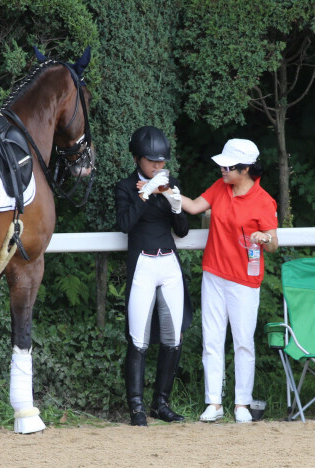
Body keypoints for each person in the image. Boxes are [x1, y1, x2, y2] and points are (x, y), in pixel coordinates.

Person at [180, 138, 278, 423]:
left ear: (245, 169)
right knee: (212, 340)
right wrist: (166, 192)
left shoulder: (264, 201)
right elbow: (195, 206)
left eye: (228, 165)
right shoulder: (220, 186)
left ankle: (242, 405)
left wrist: (265, 238)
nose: (222, 169)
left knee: (243, 342)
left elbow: (273, 244)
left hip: (244, 282)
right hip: (213, 274)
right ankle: (214, 403)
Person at [114, 126, 193, 426]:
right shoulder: (125, 187)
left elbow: (182, 230)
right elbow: (124, 224)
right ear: (137, 159)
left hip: (168, 262)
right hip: (143, 263)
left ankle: (161, 402)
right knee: (138, 338)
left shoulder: (170, 184)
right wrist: (143, 195)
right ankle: (136, 407)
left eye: (161, 161)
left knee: (173, 339)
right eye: (152, 161)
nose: (159, 166)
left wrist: (176, 206)